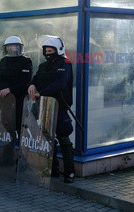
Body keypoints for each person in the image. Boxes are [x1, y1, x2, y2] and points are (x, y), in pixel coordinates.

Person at [28, 35, 75, 183]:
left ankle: (69, 173)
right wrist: (31, 85)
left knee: (64, 139)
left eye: (50, 50)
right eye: (46, 50)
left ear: (58, 50)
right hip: (43, 106)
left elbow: (59, 84)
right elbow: (35, 79)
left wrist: (40, 92)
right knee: (48, 139)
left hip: (59, 107)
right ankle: (53, 170)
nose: (48, 53)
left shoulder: (65, 64)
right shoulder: (43, 66)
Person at [0, 36, 32, 138]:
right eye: (10, 47)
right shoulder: (3, 61)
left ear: (20, 47)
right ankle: (8, 152)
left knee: (21, 128)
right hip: (5, 101)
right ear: (6, 48)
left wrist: (10, 89)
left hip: (19, 100)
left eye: (15, 46)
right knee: (6, 127)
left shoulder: (25, 61)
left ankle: (23, 152)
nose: (12, 49)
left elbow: (26, 82)